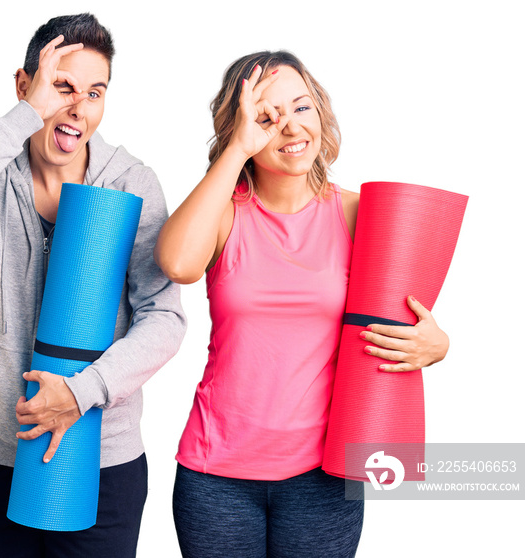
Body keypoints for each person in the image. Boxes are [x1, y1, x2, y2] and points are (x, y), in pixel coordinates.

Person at [0, 13, 186, 558]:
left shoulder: (130, 183)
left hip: (99, 453)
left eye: (95, 92)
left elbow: (165, 317)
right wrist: (20, 119)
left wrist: (83, 393)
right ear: (24, 85)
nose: (78, 109)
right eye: (61, 87)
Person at [154, 51, 449, 557]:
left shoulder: (360, 212)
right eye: (265, 117)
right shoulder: (225, 214)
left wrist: (436, 343)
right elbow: (178, 263)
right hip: (216, 474)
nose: (289, 126)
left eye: (301, 108)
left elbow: (409, 313)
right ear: (240, 128)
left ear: (321, 113)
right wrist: (237, 150)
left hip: (324, 476)